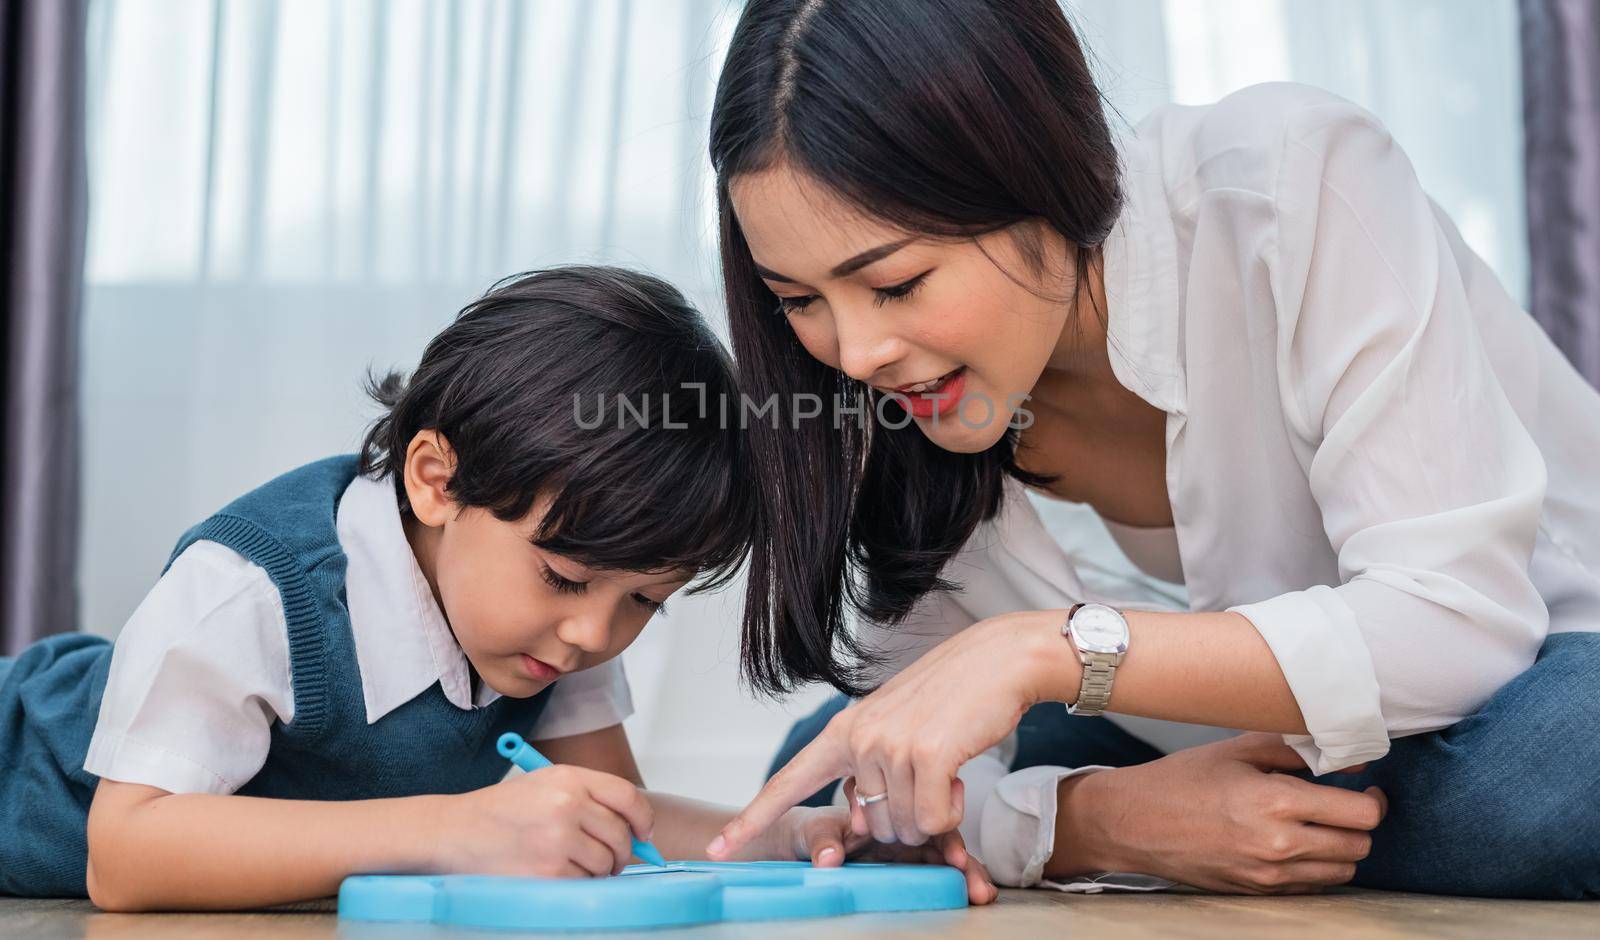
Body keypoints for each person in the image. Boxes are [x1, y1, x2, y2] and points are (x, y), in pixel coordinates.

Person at [702, 0, 1600, 898]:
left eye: (898, 282)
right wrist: (1097, 821)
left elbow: (1454, 632)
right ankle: (1236, 822)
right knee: (836, 756)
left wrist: (1042, 653)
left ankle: (1279, 828)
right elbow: (882, 777)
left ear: (1032, 169)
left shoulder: (1286, 184)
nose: (857, 352)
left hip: (1535, 665)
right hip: (1220, 737)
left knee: (1547, 784)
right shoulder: (895, 399)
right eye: (799, 300)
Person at [0, 265, 995, 908]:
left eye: (643, 602)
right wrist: (454, 827)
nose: (591, 633)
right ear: (436, 480)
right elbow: (125, 856)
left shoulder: (552, 634)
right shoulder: (249, 589)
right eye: (564, 576)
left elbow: (617, 815)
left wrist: (787, 836)